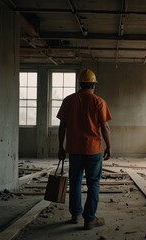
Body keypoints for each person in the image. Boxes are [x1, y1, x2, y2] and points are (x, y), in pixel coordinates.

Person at [57, 69, 112, 230]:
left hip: (74, 150)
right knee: (93, 183)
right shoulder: (99, 101)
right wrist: (109, 146)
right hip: (93, 150)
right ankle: (89, 219)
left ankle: (75, 215)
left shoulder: (68, 101)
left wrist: (61, 146)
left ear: (80, 84)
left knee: (75, 182)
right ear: (94, 84)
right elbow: (105, 127)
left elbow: (62, 127)